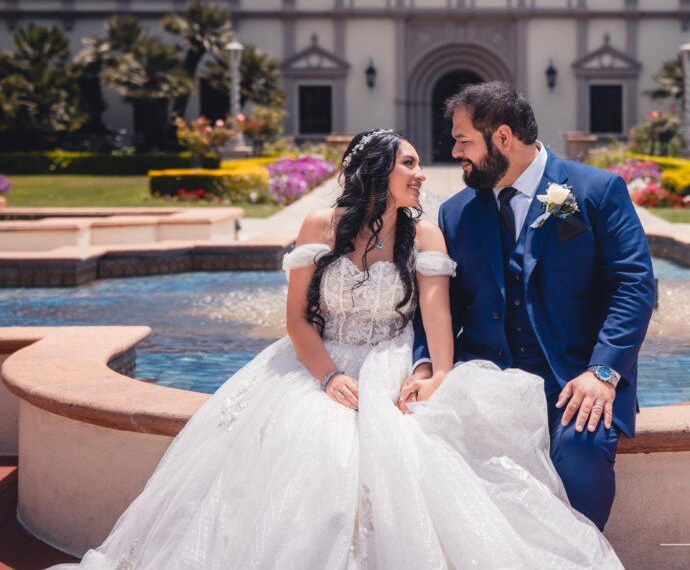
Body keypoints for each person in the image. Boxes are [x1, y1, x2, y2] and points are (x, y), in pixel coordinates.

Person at [54, 129, 622, 569]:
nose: (423, 174)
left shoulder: (423, 234)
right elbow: (298, 322)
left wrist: (438, 373)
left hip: (392, 363)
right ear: (376, 171)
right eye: (410, 163)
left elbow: (436, 315)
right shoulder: (318, 226)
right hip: (316, 365)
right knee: (308, 451)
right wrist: (326, 377)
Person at [402, 82, 657, 531]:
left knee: (580, 450)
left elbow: (634, 285)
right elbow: (440, 304)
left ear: (503, 138)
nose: (454, 150)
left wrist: (603, 373)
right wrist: (426, 364)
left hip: (573, 377)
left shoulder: (596, 190)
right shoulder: (457, 213)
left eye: (463, 140)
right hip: (485, 381)